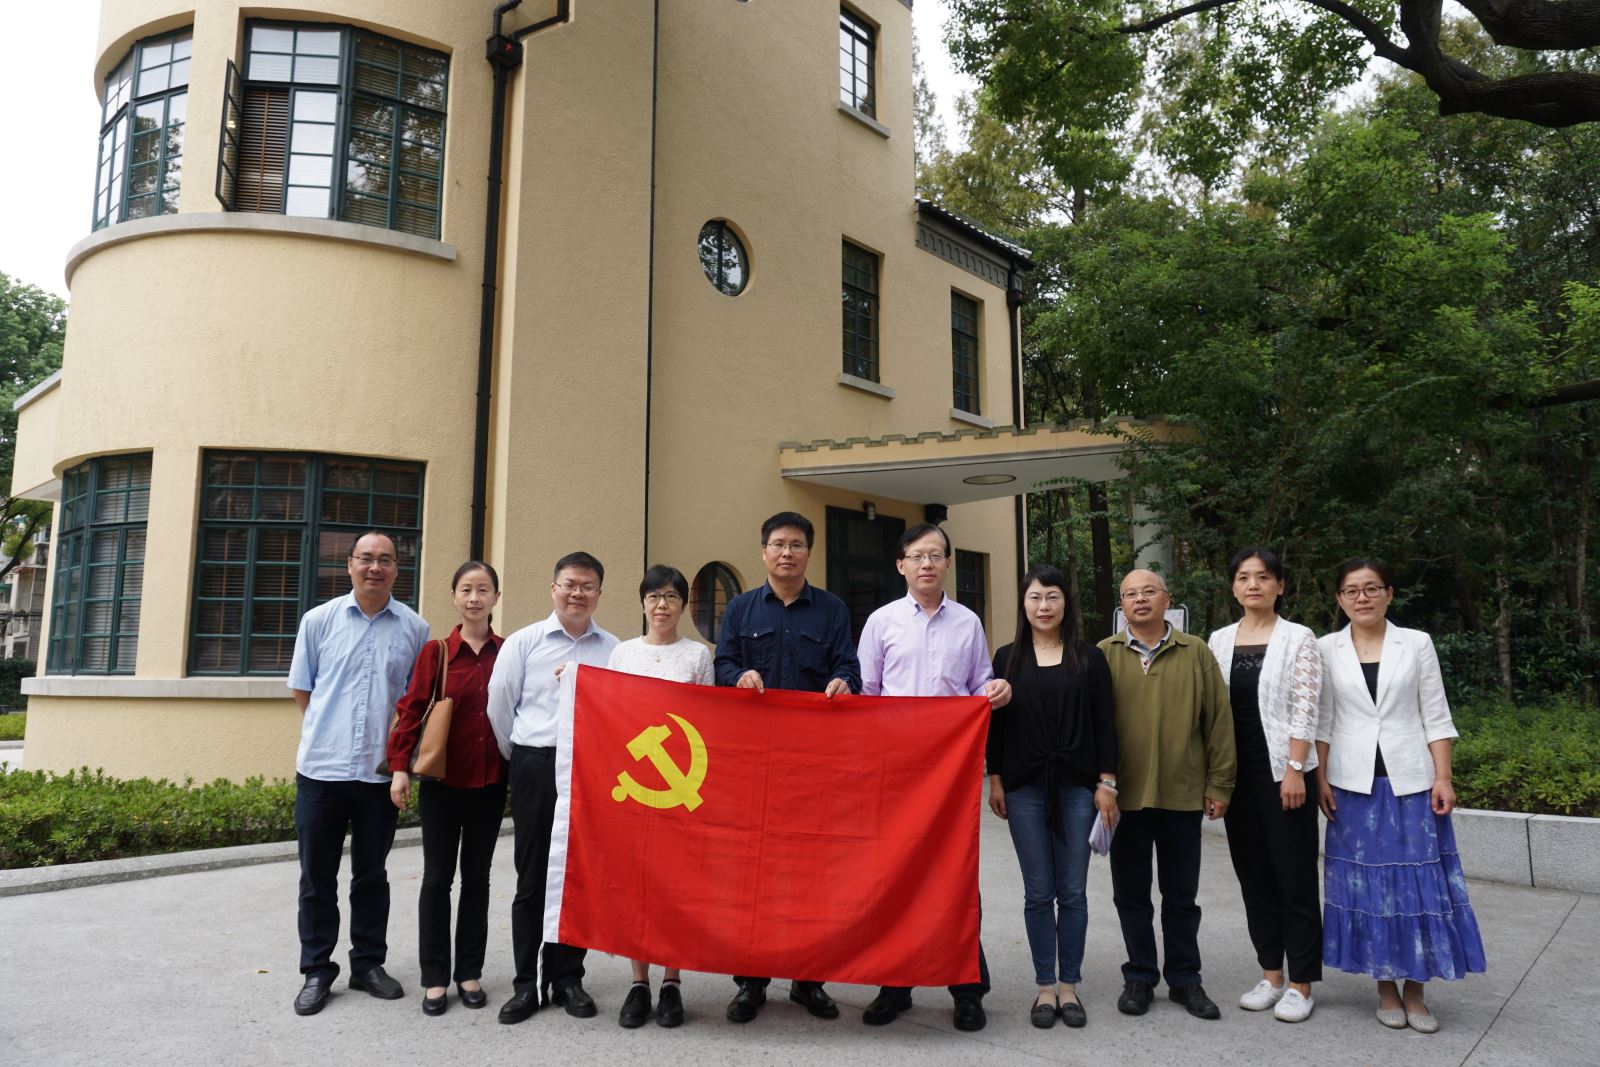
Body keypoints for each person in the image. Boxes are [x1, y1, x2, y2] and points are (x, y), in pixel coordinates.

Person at [1315, 558, 1486, 1034]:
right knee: (1368, 889)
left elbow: (1436, 713)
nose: (1362, 597)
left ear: (1389, 593)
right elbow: (1323, 721)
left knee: (1418, 887)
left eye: (1372, 588)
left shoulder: (1416, 642)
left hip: (1412, 783)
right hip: (1352, 787)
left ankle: (1416, 990)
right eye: (1352, 590)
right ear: (1340, 599)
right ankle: (1385, 986)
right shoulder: (1326, 648)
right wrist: (1320, 779)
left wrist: (1443, 777)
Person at [856, 523, 1012, 1033]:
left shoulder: (968, 623)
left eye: (936, 555)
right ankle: (894, 984)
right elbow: (868, 697)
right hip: (896, 772)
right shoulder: (880, 622)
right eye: (917, 555)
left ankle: (966, 987)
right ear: (901, 564)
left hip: (950, 773)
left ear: (948, 563)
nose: (927, 563)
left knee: (956, 875)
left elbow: (978, 685)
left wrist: (996, 690)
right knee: (894, 874)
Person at [713, 510, 861, 1024]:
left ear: (808, 553)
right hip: (754, 763)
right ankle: (751, 980)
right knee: (753, 872)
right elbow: (723, 664)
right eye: (778, 544)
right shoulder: (741, 608)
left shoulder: (832, 609)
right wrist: (737, 676)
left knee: (811, 872)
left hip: (813, 764)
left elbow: (848, 665)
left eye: (796, 545)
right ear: (764, 552)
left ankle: (808, 979)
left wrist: (844, 682)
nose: (787, 553)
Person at [287, 531, 429, 1016]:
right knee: (316, 878)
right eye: (366, 558)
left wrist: (400, 763)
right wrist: (328, 731)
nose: (375, 567)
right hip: (321, 771)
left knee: (372, 875)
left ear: (396, 569)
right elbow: (304, 690)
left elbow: (414, 705)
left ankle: (368, 965)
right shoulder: (319, 620)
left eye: (385, 560)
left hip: (378, 774)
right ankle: (317, 970)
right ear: (349, 564)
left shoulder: (415, 628)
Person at [487, 551, 619, 1025]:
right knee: (532, 876)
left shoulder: (613, 649)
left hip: (589, 771)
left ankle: (567, 978)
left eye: (587, 586)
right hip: (536, 764)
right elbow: (500, 709)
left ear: (599, 594)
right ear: (553, 589)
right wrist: (525, 757)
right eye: (569, 584)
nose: (577, 593)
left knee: (577, 875)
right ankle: (526, 983)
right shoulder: (524, 643)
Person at [1098, 569, 1235, 1021]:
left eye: (1148, 592)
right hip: (1124, 798)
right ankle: (1139, 975)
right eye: (1130, 594)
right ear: (1122, 604)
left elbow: (1218, 722)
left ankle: (1184, 978)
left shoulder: (1195, 652)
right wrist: (1098, 785)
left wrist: (1219, 784)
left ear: (1166, 599)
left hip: (1182, 795)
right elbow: (1090, 725)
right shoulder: (1104, 654)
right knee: (1131, 894)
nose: (1140, 599)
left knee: (1181, 896)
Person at [988, 564, 1117, 1030]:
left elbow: (1106, 722)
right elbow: (995, 725)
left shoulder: (1089, 658)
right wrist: (996, 779)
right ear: (1023, 604)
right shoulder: (1007, 658)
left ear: (1066, 603)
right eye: (1035, 597)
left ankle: (1069, 986)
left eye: (1052, 597)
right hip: (1024, 788)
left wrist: (1107, 783)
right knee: (1039, 893)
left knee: (1074, 892)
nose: (1043, 607)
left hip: (1079, 788)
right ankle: (1045, 986)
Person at [1207, 548, 1323, 1023]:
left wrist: (1295, 768)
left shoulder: (1299, 638)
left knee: (1294, 877)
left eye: (1263, 577)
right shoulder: (1218, 640)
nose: (1253, 584)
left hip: (1284, 774)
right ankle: (1271, 975)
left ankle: (1301, 983)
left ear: (1280, 585)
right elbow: (1211, 710)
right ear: (1233, 587)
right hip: (1237, 776)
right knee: (1253, 876)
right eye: (1243, 577)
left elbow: (1306, 706)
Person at [386, 561, 507, 1017]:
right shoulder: (435, 653)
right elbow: (411, 709)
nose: (475, 598)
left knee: (477, 879)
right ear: (455, 596)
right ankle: (435, 976)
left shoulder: (507, 652)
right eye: (466, 589)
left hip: (491, 783)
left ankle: (469, 972)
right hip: (442, 783)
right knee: (437, 879)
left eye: (483, 589)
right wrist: (399, 768)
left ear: (496, 598)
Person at [606, 564, 714, 1029]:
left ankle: (672, 980)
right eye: (654, 597)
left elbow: (708, 722)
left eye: (671, 597)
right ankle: (639, 982)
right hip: (634, 786)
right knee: (637, 884)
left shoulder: (698, 655)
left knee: (676, 884)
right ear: (642, 603)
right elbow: (607, 709)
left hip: (680, 788)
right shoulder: (622, 653)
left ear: (683, 605)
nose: (662, 605)